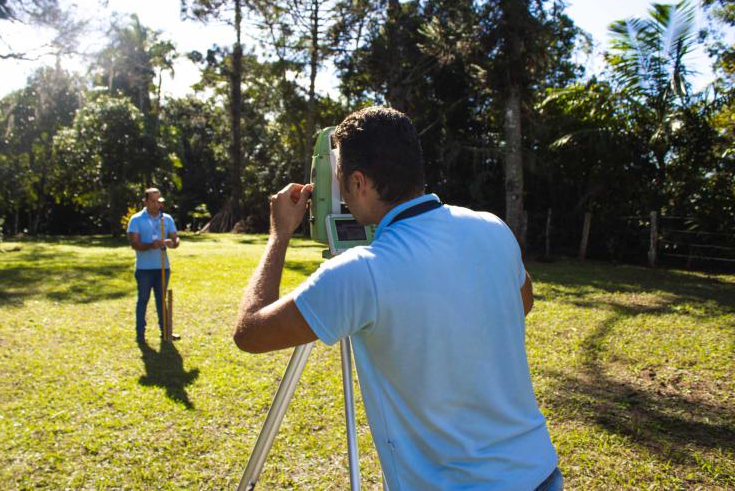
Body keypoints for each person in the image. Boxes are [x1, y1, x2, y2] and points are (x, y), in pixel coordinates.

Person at [233, 107, 562, 490]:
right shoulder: (493, 228)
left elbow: (249, 332)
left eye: (339, 180)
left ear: (358, 183)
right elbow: (522, 302)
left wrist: (279, 235)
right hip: (538, 474)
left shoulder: (360, 273)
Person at [127, 188, 180, 343]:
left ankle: (166, 332)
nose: (157, 204)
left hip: (163, 267)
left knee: (161, 300)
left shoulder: (167, 219)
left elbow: (176, 240)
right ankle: (140, 334)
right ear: (145, 201)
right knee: (143, 299)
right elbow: (134, 244)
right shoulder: (136, 219)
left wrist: (172, 243)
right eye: (153, 201)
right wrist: (151, 245)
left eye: (159, 201)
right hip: (144, 269)